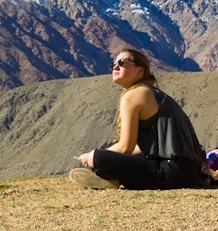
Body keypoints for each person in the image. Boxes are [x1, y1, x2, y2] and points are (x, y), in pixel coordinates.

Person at [70, 49, 205, 190]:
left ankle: (107, 175)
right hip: (188, 172)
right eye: (113, 64)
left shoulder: (135, 94)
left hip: (173, 171)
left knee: (98, 158)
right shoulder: (148, 93)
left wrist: (94, 157)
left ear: (140, 71)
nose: (115, 67)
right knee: (104, 156)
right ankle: (110, 178)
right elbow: (140, 148)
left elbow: (125, 147)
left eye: (122, 63)